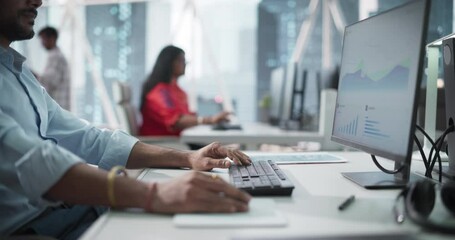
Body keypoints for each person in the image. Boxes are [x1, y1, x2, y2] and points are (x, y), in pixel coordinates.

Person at [0, 1, 251, 239]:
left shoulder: (19, 74)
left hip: (71, 210)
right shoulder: (160, 91)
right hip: (35, 226)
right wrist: (154, 194)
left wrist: (188, 158)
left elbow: (90, 139)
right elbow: (32, 161)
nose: (38, 1)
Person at [139, 45, 231, 137]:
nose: (185, 64)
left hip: (176, 141)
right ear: (169, 63)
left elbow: (186, 116)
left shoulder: (175, 90)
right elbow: (176, 121)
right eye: (181, 60)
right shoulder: (160, 92)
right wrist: (210, 120)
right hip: (162, 143)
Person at [37, 26, 71, 111]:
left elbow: (51, 81)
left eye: (43, 39)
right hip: (59, 107)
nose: (42, 43)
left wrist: (32, 74)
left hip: (57, 106)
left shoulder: (56, 56)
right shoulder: (56, 55)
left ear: (52, 38)